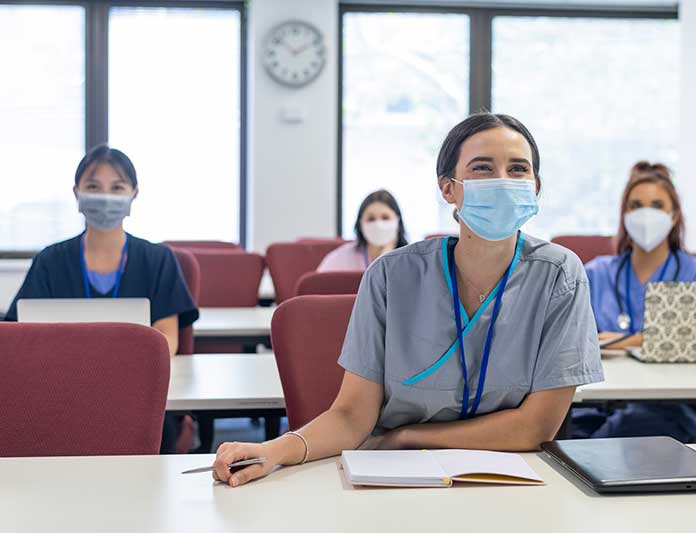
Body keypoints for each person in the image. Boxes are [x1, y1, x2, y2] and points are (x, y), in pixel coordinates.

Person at [212, 113, 603, 487]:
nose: (502, 181)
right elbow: (351, 416)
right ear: (448, 188)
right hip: (395, 476)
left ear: (535, 188)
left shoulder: (559, 274)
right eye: (482, 168)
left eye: (518, 169)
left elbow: (536, 427)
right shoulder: (390, 276)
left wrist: (409, 438)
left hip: (511, 478)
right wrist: (275, 450)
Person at [5, 145, 199, 452]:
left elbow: (166, 340)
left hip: (136, 393)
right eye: (93, 187)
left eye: (117, 187)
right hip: (59, 394)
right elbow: (19, 337)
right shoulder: (51, 261)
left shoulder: (158, 259)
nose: (105, 196)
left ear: (134, 194)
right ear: (76, 192)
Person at [572, 161, 696, 442]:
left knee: (622, 436)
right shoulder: (594, 273)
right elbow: (571, 342)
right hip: (593, 403)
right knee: (565, 437)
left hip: (666, 409)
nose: (646, 214)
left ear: (675, 215)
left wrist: (620, 340)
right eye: (636, 206)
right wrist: (647, 339)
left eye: (656, 205)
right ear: (624, 215)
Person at [317, 189, 408, 272]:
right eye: (371, 219)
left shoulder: (410, 259)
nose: (378, 225)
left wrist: (387, 255)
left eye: (385, 218)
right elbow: (317, 285)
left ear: (397, 221)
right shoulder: (340, 258)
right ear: (360, 224)